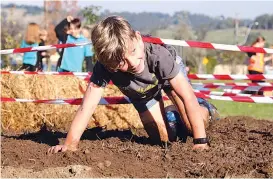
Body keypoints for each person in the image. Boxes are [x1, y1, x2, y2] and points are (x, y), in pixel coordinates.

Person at [48, 16, 219, 154]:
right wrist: (70, 144)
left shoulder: (158, 55)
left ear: (137, 37)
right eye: (121, 63)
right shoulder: (104, 68)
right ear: (108, 64)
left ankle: (205, 108)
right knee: (163, 139)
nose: (132, 63)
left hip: (167, 77)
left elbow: (187, 95)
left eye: (133, 52)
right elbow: (87, 106)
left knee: (194, 126)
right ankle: (172, 115)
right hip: (142, 91)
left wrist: (200, 141)